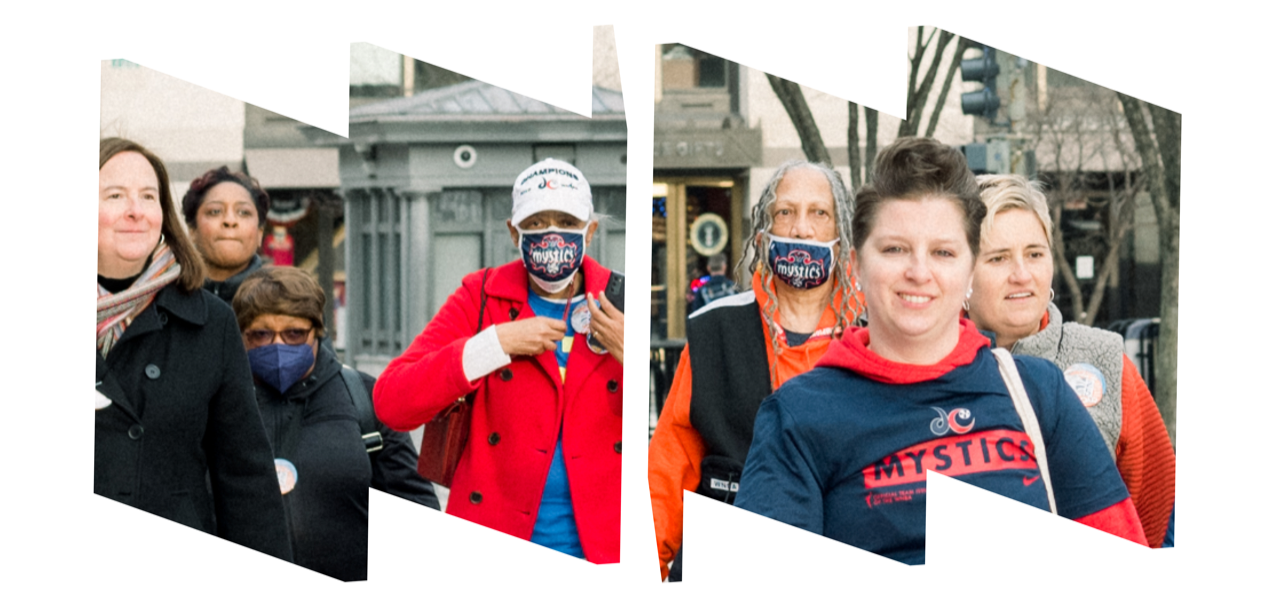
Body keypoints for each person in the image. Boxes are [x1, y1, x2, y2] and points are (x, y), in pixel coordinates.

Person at [733, 137, 1147, 565]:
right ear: (856, 266)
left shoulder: (1040, 395)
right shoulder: (798, 417)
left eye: (943, 252)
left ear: (969, 268)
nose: (919, 272)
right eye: (894, 249)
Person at [374, 158, 624, 563]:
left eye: (565, 220)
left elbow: (671, 429)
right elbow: (391, 402)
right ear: (514, 232)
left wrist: (631, 352)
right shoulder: (481, 296)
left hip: (602, 550)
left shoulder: (620, 300)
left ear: (590, 232)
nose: (552, 235)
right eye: (537, 223)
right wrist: (492, 345)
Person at [648, 161, 863, 581]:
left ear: (842, 235)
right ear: (763, 232)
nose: (801, 229)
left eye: (819, 213)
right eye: (786, 212)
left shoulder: (878, 334)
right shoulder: (716, 333)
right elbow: (665, 478)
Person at [95, 138, 291, 561]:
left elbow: (245, 479)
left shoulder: (210, 322)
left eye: (148, 197)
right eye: (115, 196)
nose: (135, 210)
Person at [965, 173, 1175, 548]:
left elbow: (1157, 508)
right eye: (997, 258)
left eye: (1035, 253)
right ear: (962, 271)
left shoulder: (1104, 359)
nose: (1022, 275)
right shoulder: (933, 367)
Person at [232, 266, 440, 581]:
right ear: (242, 335)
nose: (278, 346)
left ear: (318, 331)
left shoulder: (366, 399)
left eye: (294, 334)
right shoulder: (217, 405)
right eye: (261, 334)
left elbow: (418, 515)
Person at [181, 166, 268, 304]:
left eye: (243, 212)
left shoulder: (280, 303)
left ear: (259, 234)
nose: (230, 221)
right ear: (192, 230)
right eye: (215, 211)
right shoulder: (163, 299)